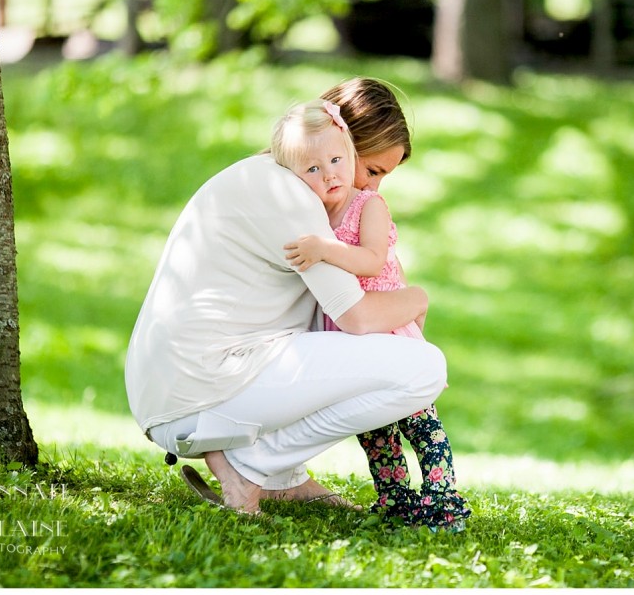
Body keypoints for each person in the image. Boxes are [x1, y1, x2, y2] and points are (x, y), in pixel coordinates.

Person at [124, 85, 447, 516]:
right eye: (371, 171)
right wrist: (419, 299)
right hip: (200, 391)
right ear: (341, 146)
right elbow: (357, 317)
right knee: (424, 368)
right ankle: (252, 468)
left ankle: (283, 479)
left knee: (325, 334)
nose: (373, 188)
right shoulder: (293, 198)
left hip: (176, 387)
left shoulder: (266, 175)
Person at [273, 99, 470, 531]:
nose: (375, 186)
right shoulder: (318, 206)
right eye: (374, 172)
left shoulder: (368, 207)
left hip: (386, 324)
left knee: (419, 419)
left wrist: (323, 249)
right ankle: (395, 498)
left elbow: (372, 260)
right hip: (348, 334)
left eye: (383, 176)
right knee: (374, 426)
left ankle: (441, 499)